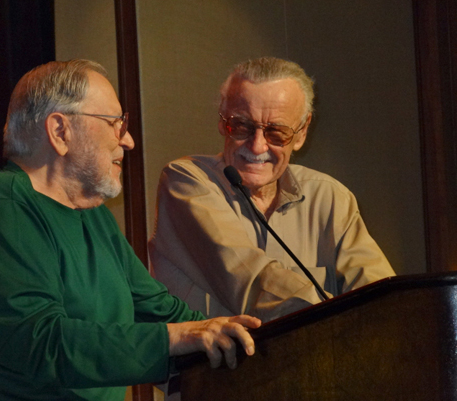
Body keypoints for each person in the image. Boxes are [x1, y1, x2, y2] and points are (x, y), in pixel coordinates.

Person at [0, 60, 261, 401]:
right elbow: (37, 342)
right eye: (114, 122)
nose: (128, 140)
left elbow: (154, 310)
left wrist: (238, 339)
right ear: (59, 131)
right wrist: (177, 338)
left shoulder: (91, 213)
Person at [149, 56, 395, 323]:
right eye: (242, 126)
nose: (257, 146)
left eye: (276, 132)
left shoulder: (330, 198)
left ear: (301, 133)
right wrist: (337, 318)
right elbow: (250, 280)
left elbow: (383, 299)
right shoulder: (185, 182)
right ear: (222, 121)